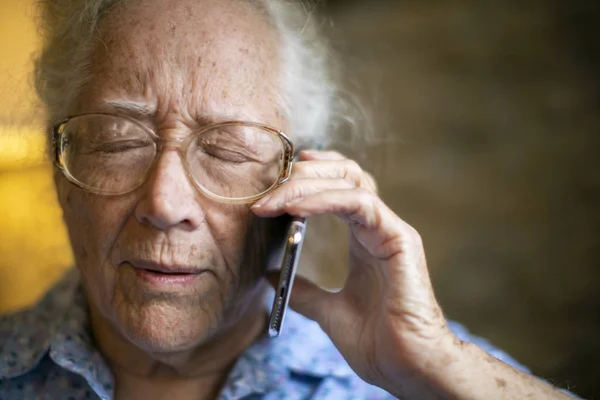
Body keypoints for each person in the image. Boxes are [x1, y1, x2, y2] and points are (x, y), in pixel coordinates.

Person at [0, 0, 580, 399]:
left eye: (227, 151)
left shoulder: (425, 380)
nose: (164, 201)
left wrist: (437, 367)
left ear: (301, 188)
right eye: (119, 141)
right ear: (61, 174)